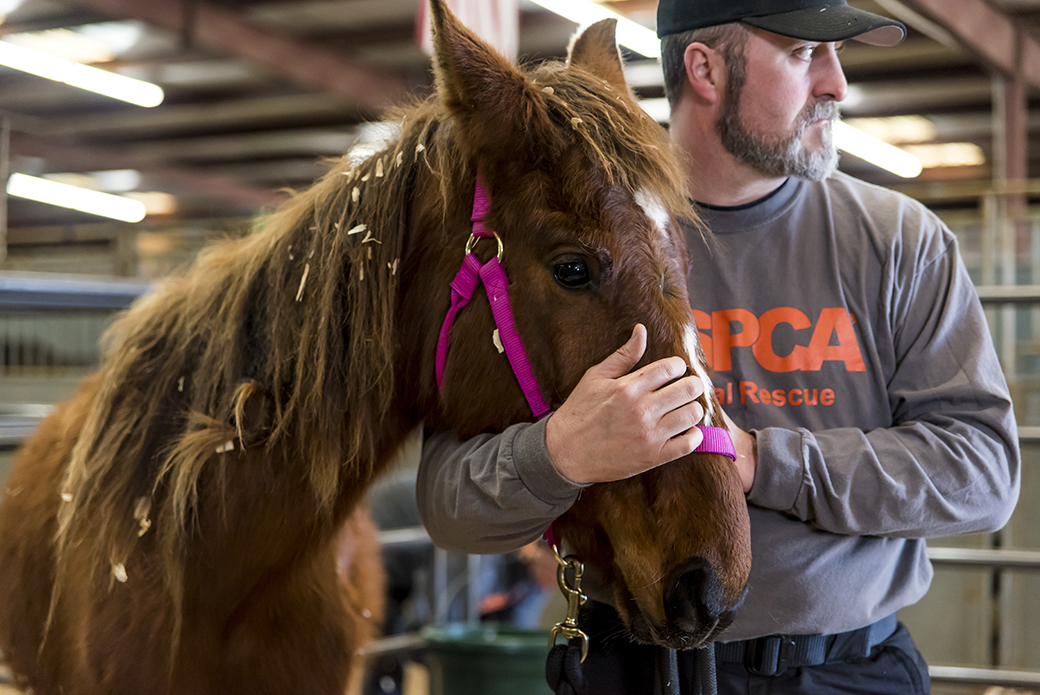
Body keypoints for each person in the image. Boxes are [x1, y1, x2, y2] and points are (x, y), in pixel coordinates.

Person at [416, 0, 1022, 692]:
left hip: (846, 672)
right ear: (704, 69)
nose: (836, 84)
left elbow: (984, 471)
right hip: (629, 664)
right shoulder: (569, 251)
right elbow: (445, 499)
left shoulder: (899, 244)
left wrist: (766, 461)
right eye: (802, 54)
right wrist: (558, 453)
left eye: (835, 57)